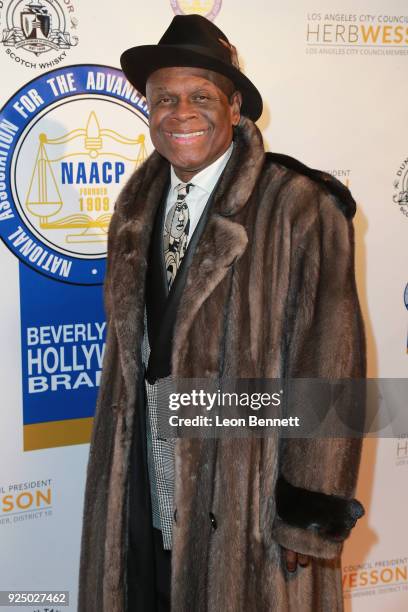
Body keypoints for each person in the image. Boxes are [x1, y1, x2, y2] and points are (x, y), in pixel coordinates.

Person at [78, 14, 366, 612]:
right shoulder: (133, 210)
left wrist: (307, 513)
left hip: (245, 499)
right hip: (142, 484)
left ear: (235, 109)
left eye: (200, 97)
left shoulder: (302, 207)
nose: (180, 112)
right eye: (164, 99)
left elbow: (332, 367)